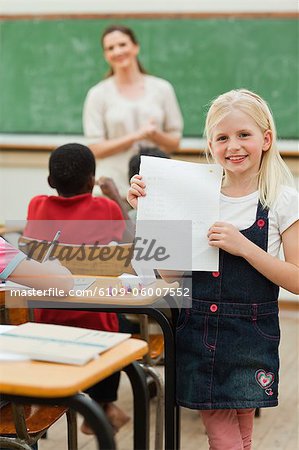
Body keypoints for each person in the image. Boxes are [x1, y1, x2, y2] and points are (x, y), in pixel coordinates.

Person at [127, 89, 299, 450]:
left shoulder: (282, 197)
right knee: (224, 439)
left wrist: (244, 247)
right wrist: (151, 213)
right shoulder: (192, 193)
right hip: (198, 332)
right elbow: (170, 275)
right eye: (222, 137)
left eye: (244, 135)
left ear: (266, 139)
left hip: (253, 336)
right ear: (210, 143)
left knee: (242, 437)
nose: (233, 146)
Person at [23, 143, 130, 434]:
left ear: (50, 182)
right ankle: (104, 402)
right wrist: (115, 197)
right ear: (92, 181)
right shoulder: (105, 208)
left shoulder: (36, 205)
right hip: (95, 324)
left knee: (106, 322)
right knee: (122, 328)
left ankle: (92, 407)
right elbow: (130, 235)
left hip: (45, 319)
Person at [83, 24, 183, 197]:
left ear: (135, 47)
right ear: (106, 55)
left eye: (122, 44)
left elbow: (174, 142)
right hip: (111, 186)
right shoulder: (97, 94)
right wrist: (136, 135)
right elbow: (95, 148)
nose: (117, 51)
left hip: (155, 182)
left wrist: (154, 134)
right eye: (110, 48)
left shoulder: (162, 88)